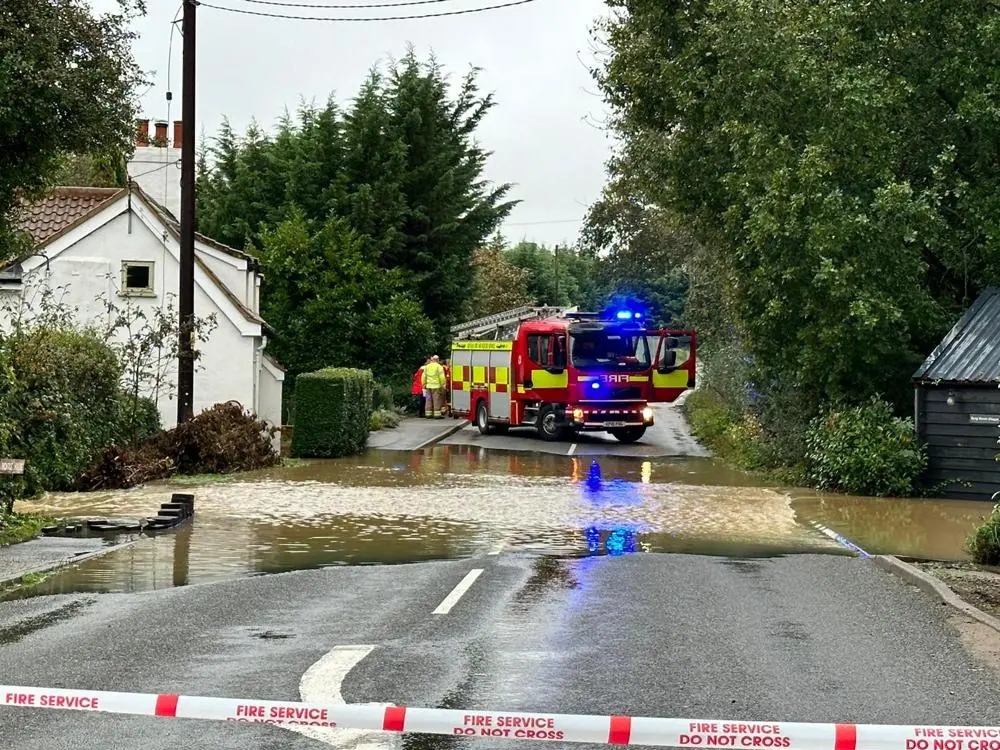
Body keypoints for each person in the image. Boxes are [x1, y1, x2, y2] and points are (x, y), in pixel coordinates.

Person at [422, 354, 447, 419]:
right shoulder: (439, 367)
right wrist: (443, 385)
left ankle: (428, 414)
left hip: (428, 386)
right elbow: (442, 377)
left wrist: (424, 384)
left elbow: (424, 376)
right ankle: (437, 415)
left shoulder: (427, 366)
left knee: (428, 400)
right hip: (436, 386)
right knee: (436, 400)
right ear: (438, 360)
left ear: (432, 359)